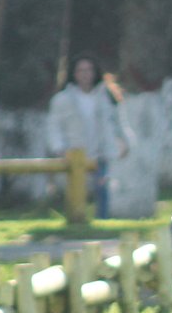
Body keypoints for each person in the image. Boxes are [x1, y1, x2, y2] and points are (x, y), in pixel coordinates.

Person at [46, 54, 131, 219]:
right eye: (81, 70)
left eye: (89, 70)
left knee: (103, 188)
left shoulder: (107, 97)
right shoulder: (62, 99)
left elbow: (119, 122)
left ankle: (102, 220)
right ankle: (76, 219)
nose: (85, 74)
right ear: (74, 74)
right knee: (77, 191)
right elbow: (54, 127)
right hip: (74, 153)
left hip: (101, 153)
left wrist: (126, 142)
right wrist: (59, 148)